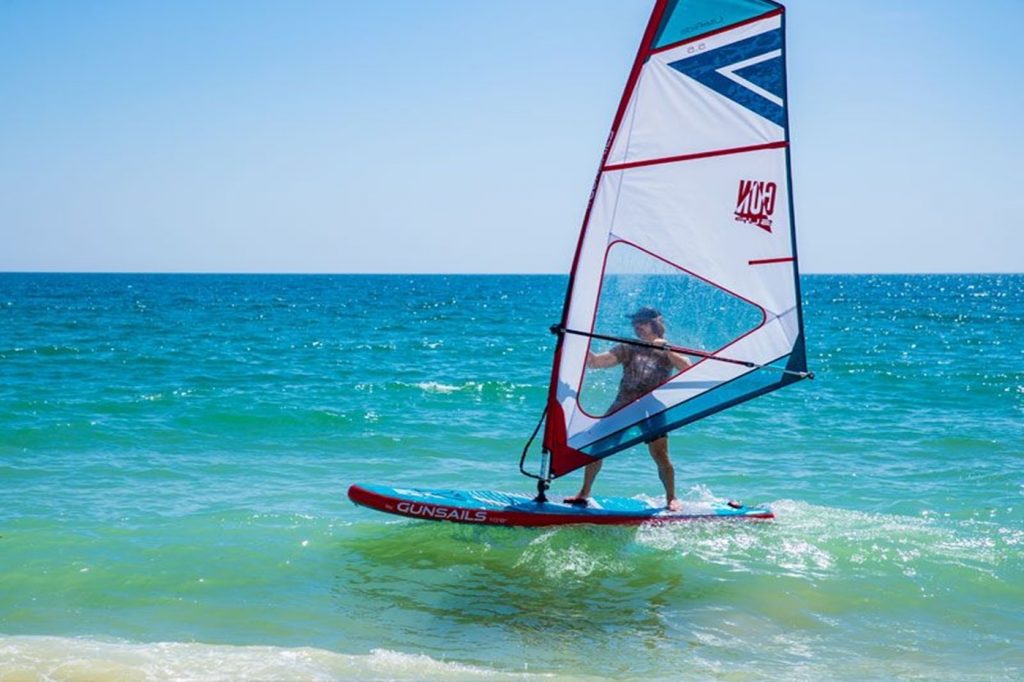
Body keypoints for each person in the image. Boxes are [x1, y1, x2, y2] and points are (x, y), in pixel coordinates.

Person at [565, 307, 691, 511]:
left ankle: (671, 498)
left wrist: (667, 349)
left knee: (660, 454)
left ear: (655, 324)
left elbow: (686, 367)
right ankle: (584, 492)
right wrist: (576, 345)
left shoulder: (666, 349)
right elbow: (596, 363)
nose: (637, 326)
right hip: (623, 404)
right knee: (597, 447)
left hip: (652, 408)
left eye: (642, 322)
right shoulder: (628, 347)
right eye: (635, 323)